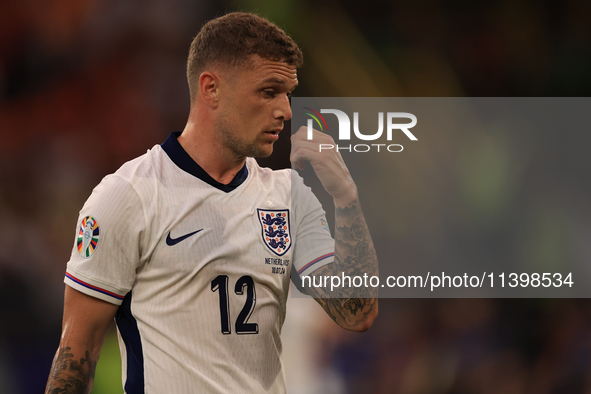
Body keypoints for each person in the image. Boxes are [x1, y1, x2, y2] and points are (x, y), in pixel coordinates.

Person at [45, 12, 378, 394]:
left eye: (288, 93)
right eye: (269, 91)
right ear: (211, 89)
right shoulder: (129, 195)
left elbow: (357, 313)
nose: (285, 110)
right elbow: (75, 355)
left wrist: (346, 198)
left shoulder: (290, 195)